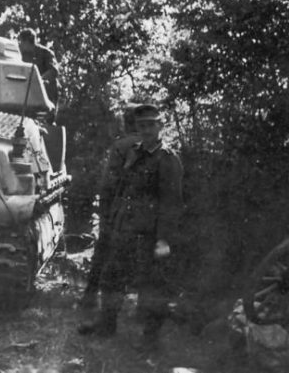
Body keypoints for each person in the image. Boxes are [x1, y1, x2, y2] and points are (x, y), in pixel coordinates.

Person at [78, 103, 184, 353]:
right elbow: (123, 191)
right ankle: (107, 325)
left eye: (151, 125)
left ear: (161, 126)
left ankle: (150, 339)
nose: (146, 130)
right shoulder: (134, 152)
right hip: (125, 228)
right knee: (112, 277)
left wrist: (164, 239)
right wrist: (113, 222)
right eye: (141, 125)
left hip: (148, 234)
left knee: (151, 286)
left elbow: (172, 203)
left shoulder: (168, 160)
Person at [80, 103, 140, 309]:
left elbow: (109, 184)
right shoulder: (154, 145)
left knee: (103, 254)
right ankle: (143, 310)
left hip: (118, 211)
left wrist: (105, 213)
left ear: (127, 122)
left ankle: (89, 299)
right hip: (145, 213)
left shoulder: (121, 146)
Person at [17, 28, 59, 103]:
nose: (19, 44)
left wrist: (39, 80)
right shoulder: (22, 56)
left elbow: (54, 70)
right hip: (30, 95)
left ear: (26, 42)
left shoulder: (46, 53)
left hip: (47, 95)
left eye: (20, 41)